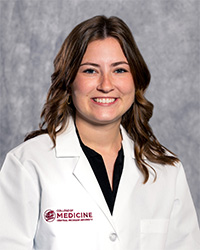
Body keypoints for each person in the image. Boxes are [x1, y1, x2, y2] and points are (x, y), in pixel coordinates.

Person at [0, 15, 199, 250]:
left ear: (136, 80)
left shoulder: (167, 170)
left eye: (120, 70)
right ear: (69, 79)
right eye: (91, 71)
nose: (106, 85)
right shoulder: (28, 164)